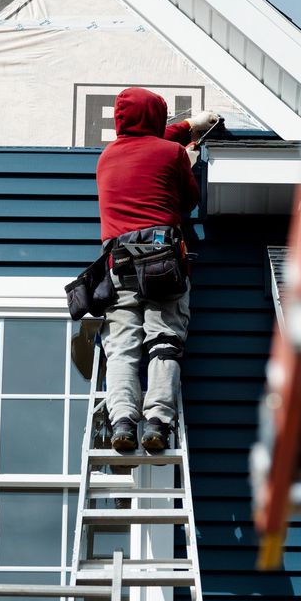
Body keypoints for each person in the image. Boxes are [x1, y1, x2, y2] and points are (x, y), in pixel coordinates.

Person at [96, 87, 217, 452]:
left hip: (118, 260)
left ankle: (121, 420)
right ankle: (157, 422)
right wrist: (188, 155)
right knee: (163, 340)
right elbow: (189, 199)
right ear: (154, 117)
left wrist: (185, 129)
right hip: (162, 255)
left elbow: (146, 143)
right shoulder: (170, 154)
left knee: (121, 346)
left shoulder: (107, 157)